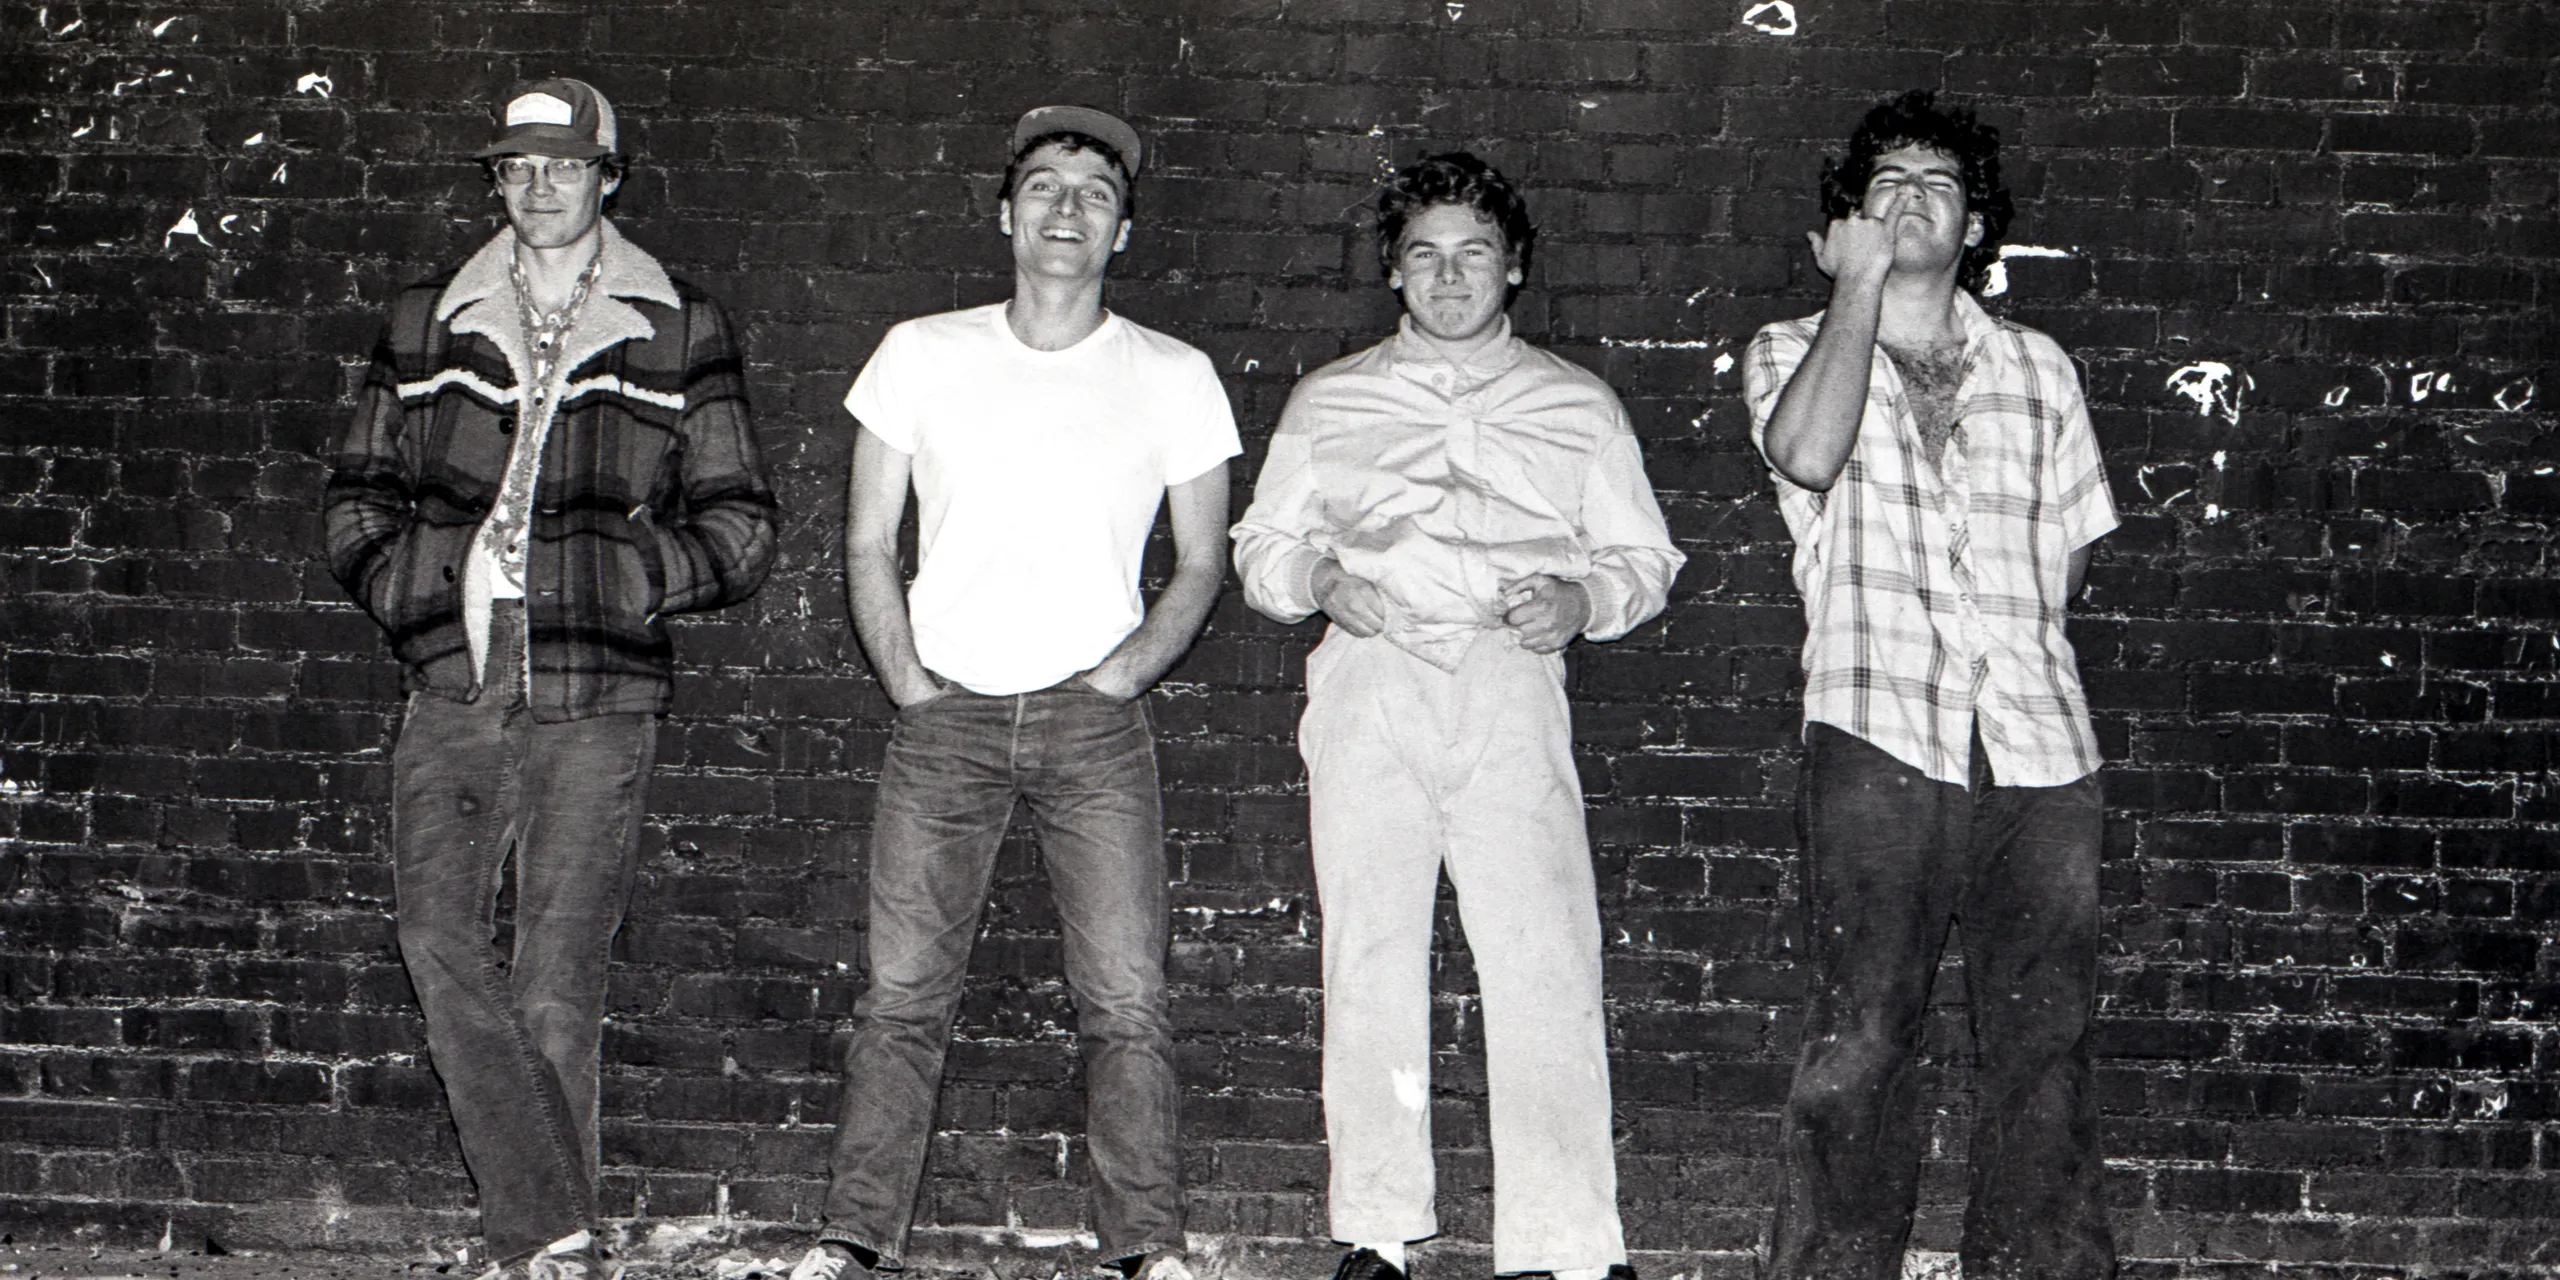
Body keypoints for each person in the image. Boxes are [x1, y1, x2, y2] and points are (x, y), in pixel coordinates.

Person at [323, 77, 777, 1280]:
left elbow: (742, 527)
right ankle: (553, 1228)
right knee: (436, 935)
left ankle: (544, 1253)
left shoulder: (677, 322)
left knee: (558, 983)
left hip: (600, 678)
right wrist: (414, 588)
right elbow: (354, 497)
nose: (538, 187)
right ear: (496, 179)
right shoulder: (428, 318)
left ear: (608, 177)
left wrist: (627, 576)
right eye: (516, 167)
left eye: (564, 166)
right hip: (455, 667)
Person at [792, 106, 1237, 1280]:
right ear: (1005, 213)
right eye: (1043, 186)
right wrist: (908, 682)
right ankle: (852, 1236)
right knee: (900, 995)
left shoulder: (1173, 375)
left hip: (1095, 726)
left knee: (1125, 998)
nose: (1066, 209)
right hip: (946, 716)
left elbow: (1202, 560)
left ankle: (1147, 1247)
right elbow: (865, 540)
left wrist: (1123, 672)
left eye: (1094, 194)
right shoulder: (919, 353)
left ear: (1122, 231)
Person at [1232, 153, 1681, 1280]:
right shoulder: (1330, 399)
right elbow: (1262, 546)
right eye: (1423, 255)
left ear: (1513, 266)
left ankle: (1567, 1248)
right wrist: (1318, 580)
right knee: (1370, 953)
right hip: (1372, 671)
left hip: (1507, 674)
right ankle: (1378, 1236)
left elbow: (1644, 558)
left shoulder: (1577, 403)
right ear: (1393, 271)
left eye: (1473, 253)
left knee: (1544, 955)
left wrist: (1582, 600)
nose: (1448, 277)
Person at [1742, 89, 2119, 1280]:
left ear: (1976, 224)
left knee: (2045, 1039)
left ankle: (2040, 1267)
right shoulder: (1791, 349)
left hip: (2039, 743)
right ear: (1849, 220)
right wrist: (1856, 287)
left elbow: (2068, 559)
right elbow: (1805, 453)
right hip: (1874, 724)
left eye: (1939, 184)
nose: (1913, 199)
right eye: (1887, 183)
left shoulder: (2040, 368)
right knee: (1862, 1029)